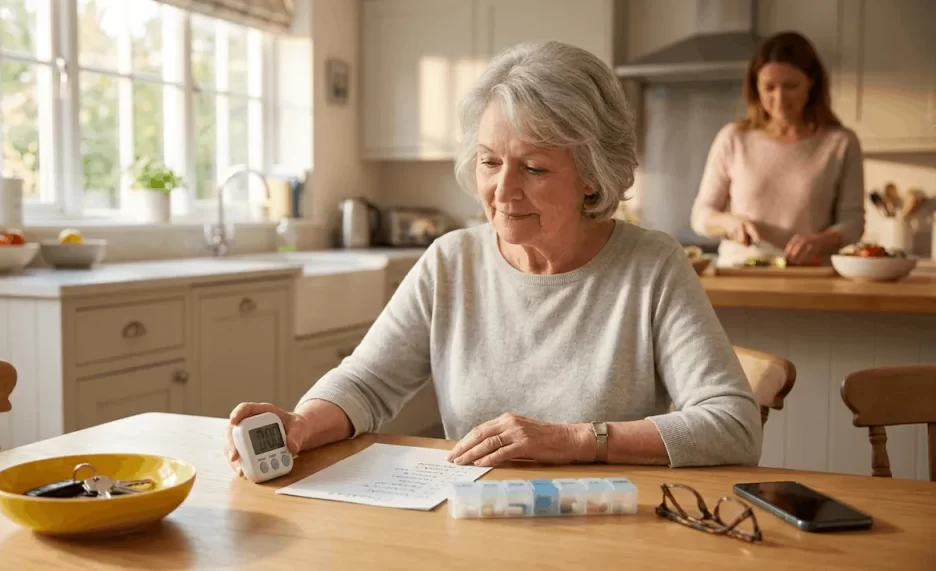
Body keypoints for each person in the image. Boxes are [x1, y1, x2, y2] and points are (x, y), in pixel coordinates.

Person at [224, 40, 762, 472]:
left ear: (592, 176)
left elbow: (733, 425)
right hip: (475, 521)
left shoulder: (652, 266)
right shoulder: (450, 262)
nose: (503, 192)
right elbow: (365, 384)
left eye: (534, 168)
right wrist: (300, 424)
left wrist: (574, 441)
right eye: (488, 162)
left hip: (603, 526)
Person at [690, 31, 865, 267]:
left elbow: (853, 223)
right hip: (739, 273)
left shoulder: (841, 143)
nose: (780, 99)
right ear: (755, 87)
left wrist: (821, 241)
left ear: (811, 82)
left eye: (791, 86)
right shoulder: (733, 138)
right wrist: (729, 224)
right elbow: (701, 215)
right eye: (769, 87)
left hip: (811, 276)